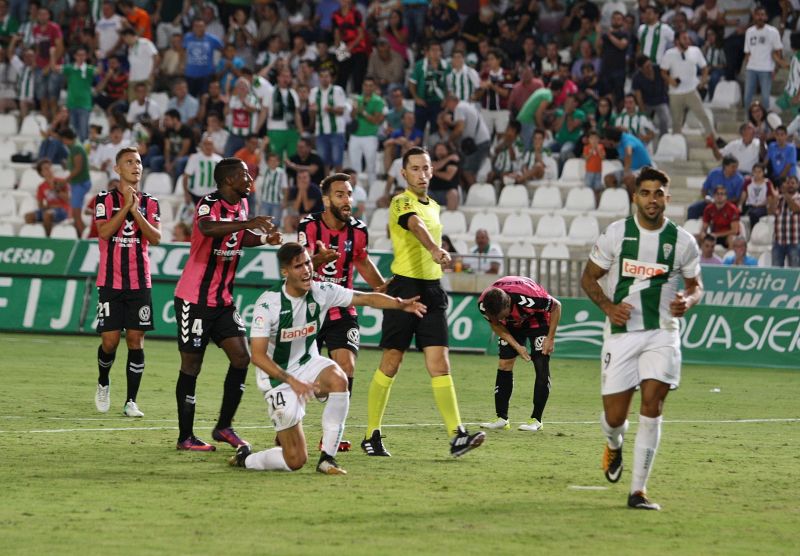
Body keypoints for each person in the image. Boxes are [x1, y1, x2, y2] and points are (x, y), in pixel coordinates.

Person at [230, 241, 424, 474]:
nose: (307, 270)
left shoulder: (322, 292)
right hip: (277, 379)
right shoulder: (268, 303)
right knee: (295, 461)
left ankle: (327, 458)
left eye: (308, 263)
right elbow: (258, 357)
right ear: (285, 272)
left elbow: (366, 298)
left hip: (308, 363)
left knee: (339, 379)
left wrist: (399, 304)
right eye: (298, 266)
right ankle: (247, 458)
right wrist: (293, 382)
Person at [581, 166, 704, 511]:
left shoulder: (683, 241)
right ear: (635, 196)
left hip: (662, 333)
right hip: (621, 334)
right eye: (645, 193)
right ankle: (614, 444)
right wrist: (607, 306)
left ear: (668, 197)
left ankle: (638, 491)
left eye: (658, 193)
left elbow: (696, 287)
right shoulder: (616, 234)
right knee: (615, 417)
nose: (652, 199)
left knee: (653, 406)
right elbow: (589, 279)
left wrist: (688, 301)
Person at [361, 146, 486, 458]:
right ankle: (371, 434)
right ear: (404, 173)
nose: (421, 173)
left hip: (432, 291)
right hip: (404, 290)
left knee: (440, 363)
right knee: (392, 361)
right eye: (414, 168)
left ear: (432, 171)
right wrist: (434, 248)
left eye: (426, 168)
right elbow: (415, 225)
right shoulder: (401, 201)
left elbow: (425, 225)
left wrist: (438, 252)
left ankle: (457, 435)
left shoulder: (436, 207)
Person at [173, 157, 281, 451]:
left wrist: (263, 239)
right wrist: (248, 223)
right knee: (191, 365)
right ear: (229, 180)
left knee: (241, 358)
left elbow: (238, 236)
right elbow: (209, 229)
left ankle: (223, 426)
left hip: (222, 301)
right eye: (245, 174)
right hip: (194, 299)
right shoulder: (208, 204)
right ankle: (186, 436)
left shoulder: (241, 205)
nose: (251, 179)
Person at [297, 173, 389, 451]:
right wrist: (316, 260)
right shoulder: (309, 225)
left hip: (342, 308)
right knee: (300, 375)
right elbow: (295, 265)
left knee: (347, 366)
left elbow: (362, 261)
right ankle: (289, 428)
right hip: (309, 309)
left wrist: (383, 288)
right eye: (340, 194)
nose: (347, 199)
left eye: (349, 193)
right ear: (326, 199)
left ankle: (331, 436)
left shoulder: (358, 231)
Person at [92, 147, 161, 418]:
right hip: (110, 282)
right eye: (129, 162)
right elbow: (105, 232)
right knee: (109, 342)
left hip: (139, 282)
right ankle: (103, 382)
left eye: (139, 162)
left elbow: (155, 238)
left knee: (136, 340)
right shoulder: (104, 198)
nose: (136, 166)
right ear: (117, 169)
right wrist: (126, 209)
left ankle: (131, 401)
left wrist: (137, 211)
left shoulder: (151, 202)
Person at [478, 277, 562, 432]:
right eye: (497, 317)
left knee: (541, 363)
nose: (499, 319)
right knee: (504, 364)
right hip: (511, 327)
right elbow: (496, 325)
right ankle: (502, 418)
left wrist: (550, 338)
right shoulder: (485, 305)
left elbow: (557, 306)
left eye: (502, 315)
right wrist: (517, 346)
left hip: (537, 320)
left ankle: (536, 420)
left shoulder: (529, 298)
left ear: (509, 304)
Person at [660, 30, 717, 150]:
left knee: (703, 115)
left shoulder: (695, 51)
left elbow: (704, 67)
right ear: (677, 41)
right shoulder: (670, 53)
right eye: (684, 38)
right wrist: (671, 80)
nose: (688, 40)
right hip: (675, 93)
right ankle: (677, 146)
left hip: (691, 90)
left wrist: (703, 81)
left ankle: (712, 140)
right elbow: (663, 72)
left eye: (688, 38)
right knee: (677, 121)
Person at [743, 6, 787, 110]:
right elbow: (747, 52)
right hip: (751, 68)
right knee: (747, 97)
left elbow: (778, 50)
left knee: (765, 98)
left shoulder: (773, 32)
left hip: (766, 69)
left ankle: (765, 123)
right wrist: (746, 65)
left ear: (766, 17)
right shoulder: (749, 32)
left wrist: (776, 68)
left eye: (762, 15)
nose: (760, 17)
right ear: (754, 16)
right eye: (758, 15)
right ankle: (748, 122)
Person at [55, 128, 91, 237]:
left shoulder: (76, 148)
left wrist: (64, 181)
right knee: (75, 214)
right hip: (77, 184)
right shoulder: (75, 147)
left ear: (66, 138)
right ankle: (83, 235)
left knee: (76, 214)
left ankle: (86, 238)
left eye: (62, 139)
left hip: (80, 184)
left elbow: (78, 168)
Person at [24, 158, 70, 237]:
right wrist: (49, 207)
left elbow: (68, 199)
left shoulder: (61, 181)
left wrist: (57, 190)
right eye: (45, 169)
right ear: (41, 173)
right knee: (28, 216)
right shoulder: (41, 187)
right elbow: (40, 205)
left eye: (49, 167)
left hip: (63, 210)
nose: (49, 170)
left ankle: (47, 238)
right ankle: (34, 236)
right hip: (50, 209)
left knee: (47, 215)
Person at [768, 175, 800, 267]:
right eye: (787, 183)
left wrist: (785, 194)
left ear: (798, 185)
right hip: (778, 242)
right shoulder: (779, 199)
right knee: (776, 271)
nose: (790, 185)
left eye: (792, 183)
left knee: (795, 271)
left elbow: (795, 209)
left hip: (795, 242)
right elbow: (770, 212)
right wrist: (774, 198)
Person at [182, 134, 222, 206]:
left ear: (213, 146)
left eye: (210, 144)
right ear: (202, 146)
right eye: (206, 144)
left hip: (212, 195)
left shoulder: (219, 159)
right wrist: (186, 194)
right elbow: (185, 177)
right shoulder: (194, 158)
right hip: (196, 195)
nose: (208, 147)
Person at [700, 185, 741, 249]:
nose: (719, 196)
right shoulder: (708, 209)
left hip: (727, 236)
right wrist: (703, 234)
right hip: (713, 236)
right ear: (714, 195)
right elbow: (704, 228)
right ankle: (702, 258)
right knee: (696, 237)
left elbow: (735, 231)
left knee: (732, 238)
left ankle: (730, 257)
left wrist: (717, 234)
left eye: (722, 194)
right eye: (717, 194)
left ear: (726, 196)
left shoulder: (732, 209)